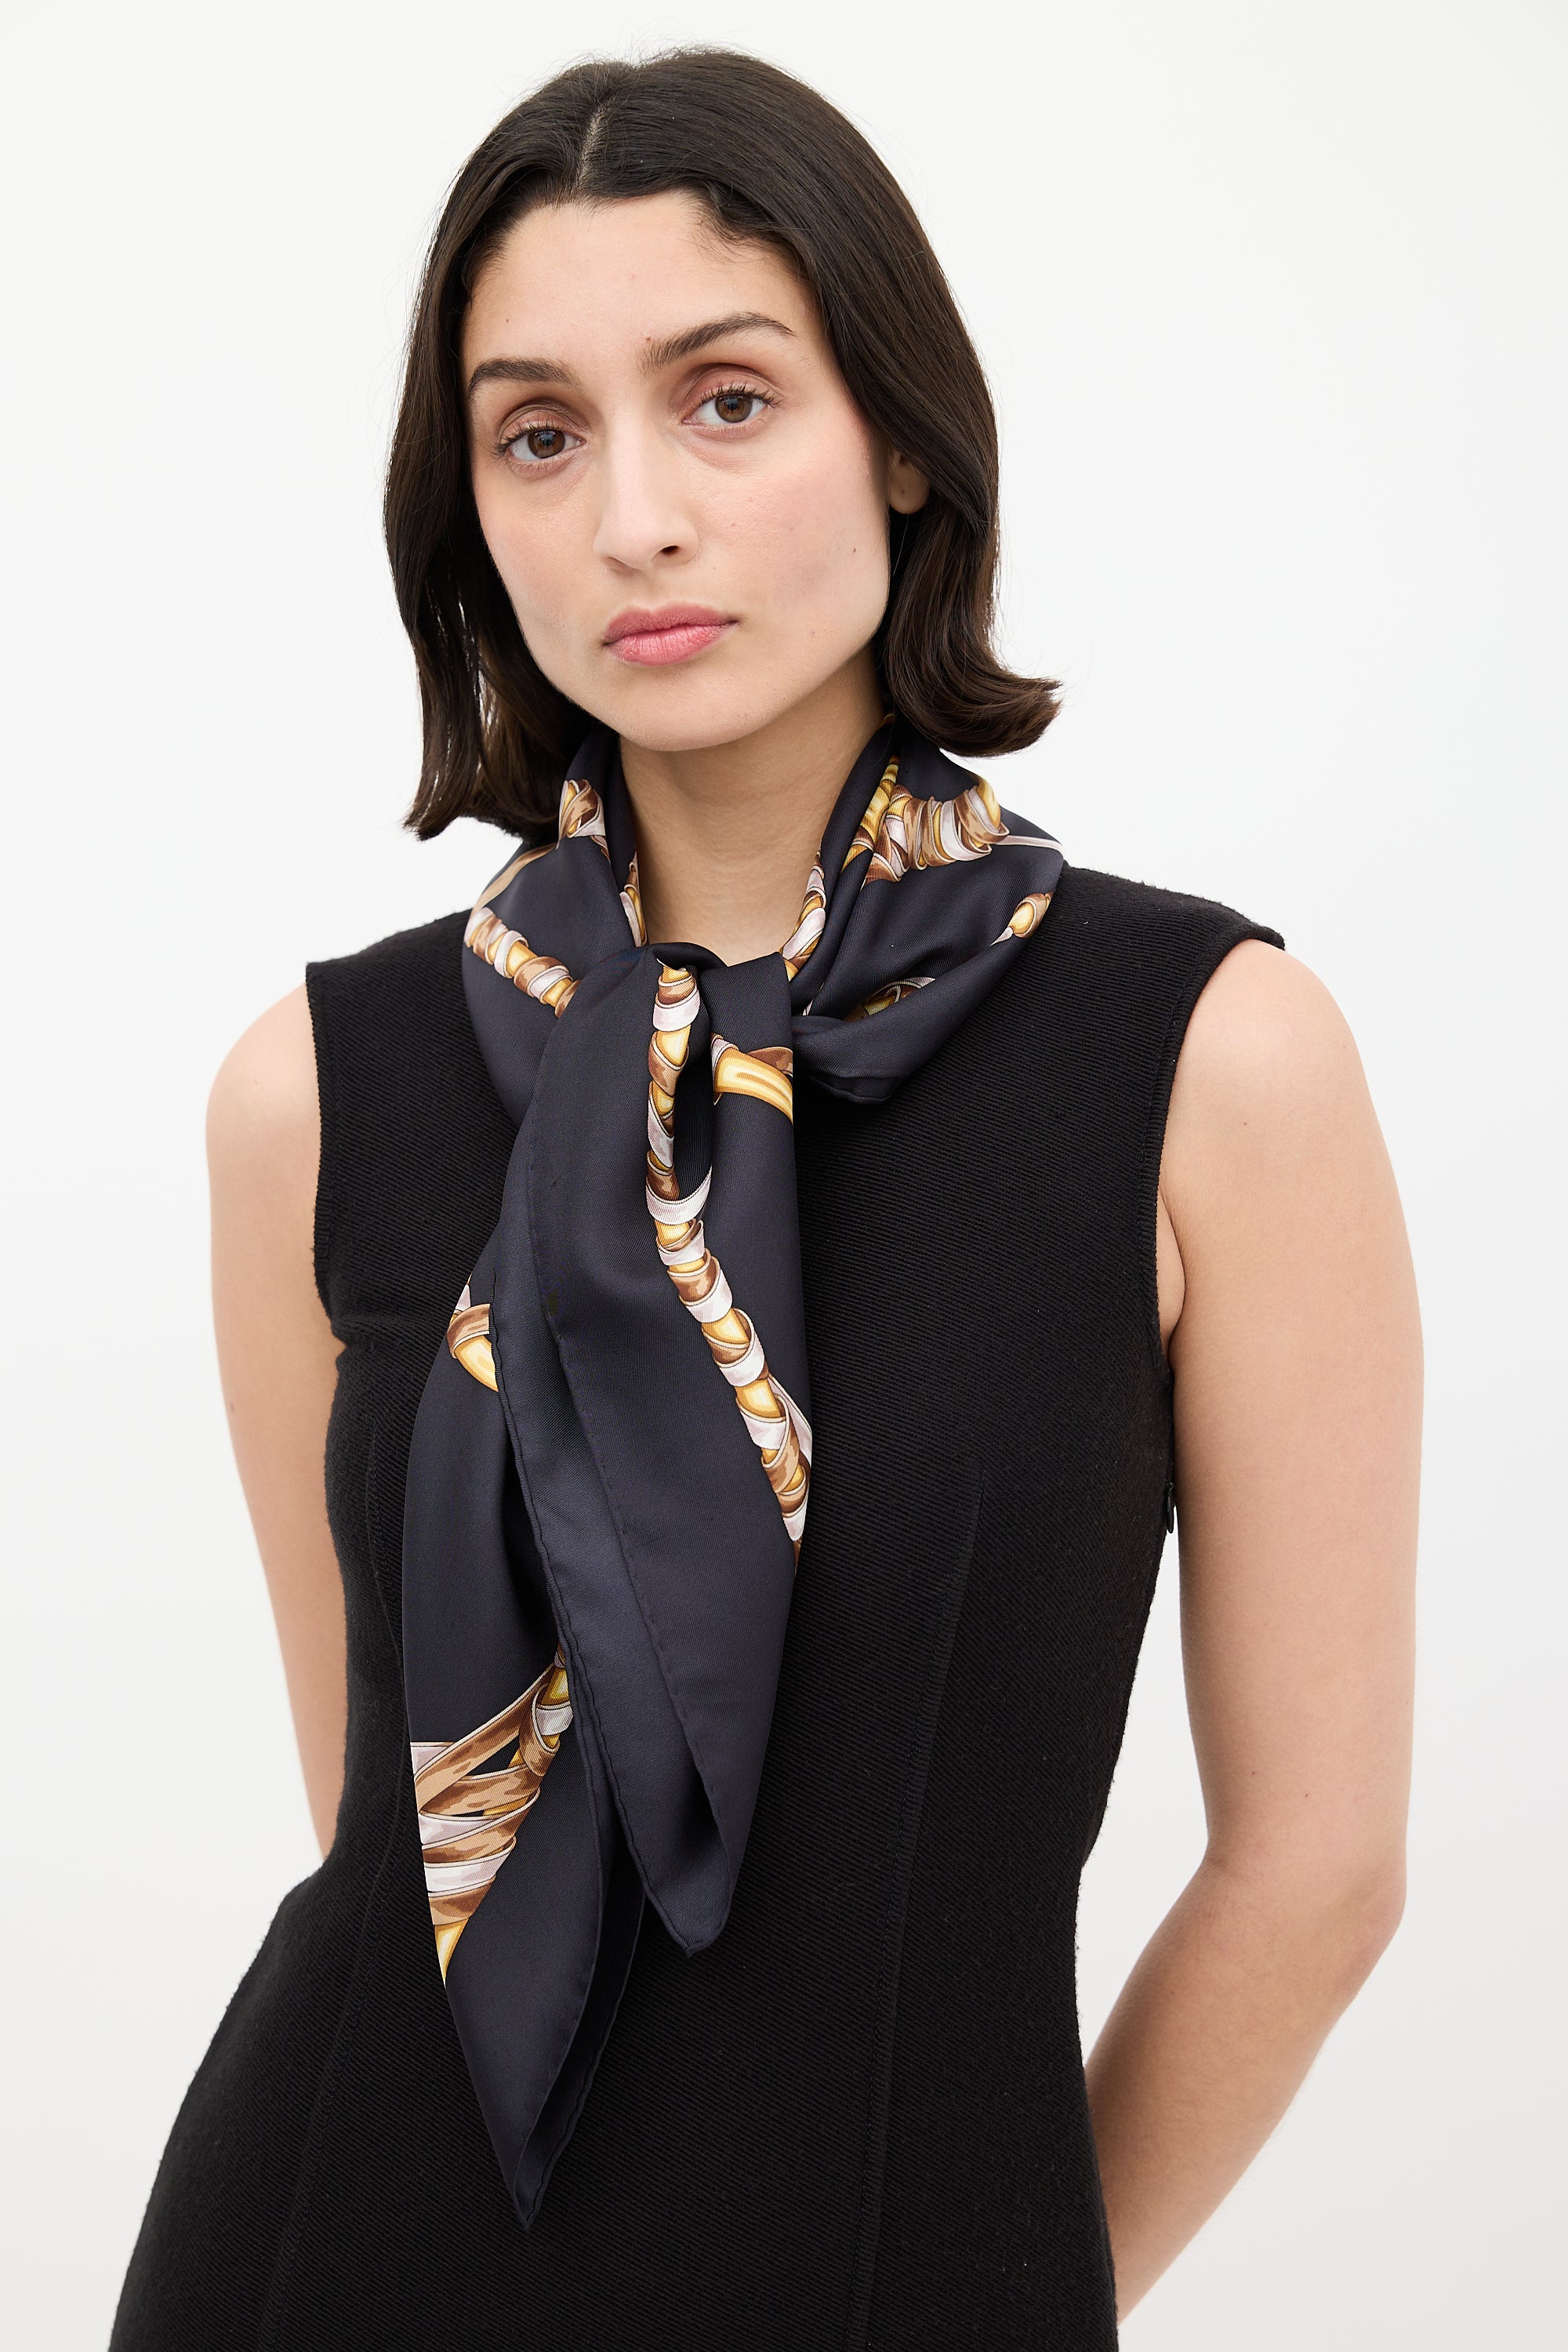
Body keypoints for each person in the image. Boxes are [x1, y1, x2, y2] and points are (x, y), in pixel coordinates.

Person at [111, 48, 1421, 2352]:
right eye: (540, 434)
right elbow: (387, 1828)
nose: (635, 517)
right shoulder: (313, 1094)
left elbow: (1318, 1872)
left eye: (726, 401)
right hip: (322, 2265)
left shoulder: (1208, 1062)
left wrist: (999, 2293)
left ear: (900, 434)